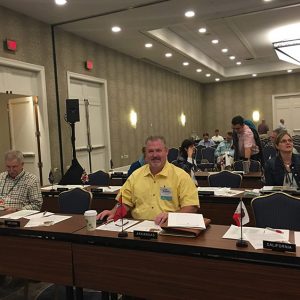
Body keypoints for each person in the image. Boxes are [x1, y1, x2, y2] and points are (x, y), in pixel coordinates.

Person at [97, 136, 199, 225]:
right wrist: (114, 213)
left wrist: (172, 216)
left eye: (158, 150)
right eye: (150, 151)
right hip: (139, 230)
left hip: (169, 229)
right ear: (145, 154)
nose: (155, 155)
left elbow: (192, 206)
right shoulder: (135, 176)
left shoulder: (181, 176)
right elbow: (125, 202)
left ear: (166, 151)